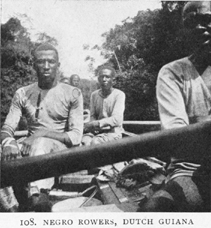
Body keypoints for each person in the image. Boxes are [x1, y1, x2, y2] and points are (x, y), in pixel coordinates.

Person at [139, 1, 211, 212]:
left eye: (207, 20)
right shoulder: (172, 73)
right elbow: (179, 137)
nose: (199, 28)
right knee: (156, 209)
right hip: (189, 167)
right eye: (192, 23)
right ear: (184, 30)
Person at [0, 43, 84, 211]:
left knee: (41, 144)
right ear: (33, 65)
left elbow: (75, 137)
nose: (46, 67)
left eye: (51, 62)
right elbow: (7, 127)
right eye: (41, 62)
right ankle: (11, 208)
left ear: (58, 65)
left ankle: (38, 196)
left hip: (60, 150)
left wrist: (40, 134)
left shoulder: (73, 93)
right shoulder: (23, 93)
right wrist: (9, 142)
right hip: (30, 146)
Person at [82, 65, 125, 146]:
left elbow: (117, 119)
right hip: (96, 131)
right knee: (84, 142)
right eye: (101, 77)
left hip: (113, 132)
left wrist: (97, 124)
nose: (104, 80)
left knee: (96, 142)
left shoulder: (119, 95)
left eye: (107, 77)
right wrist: (92, 126)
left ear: (113, 80)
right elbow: (92, 116)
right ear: (98, 80)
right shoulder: (94, 95)